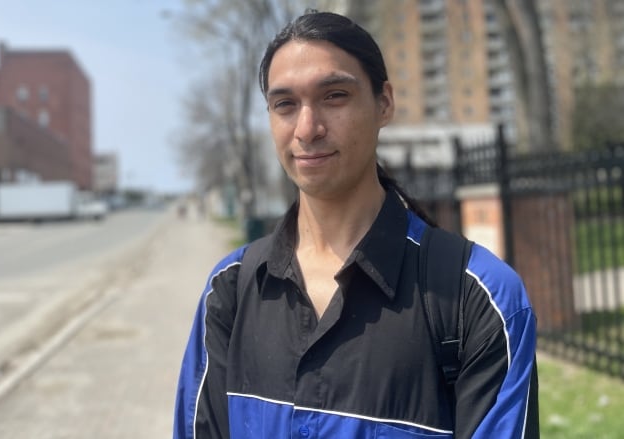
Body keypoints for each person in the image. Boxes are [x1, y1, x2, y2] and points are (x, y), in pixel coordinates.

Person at [174, 10, 538, 439]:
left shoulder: (477, 297)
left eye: (334, 96)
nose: (307, 129)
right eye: (285, 104)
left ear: (383, 102)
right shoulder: (230, 292)